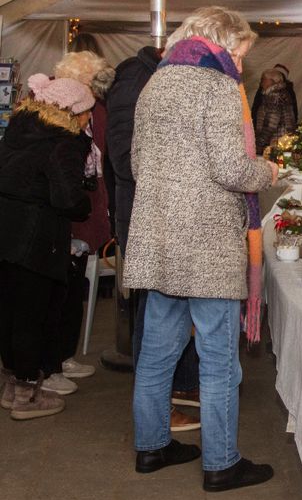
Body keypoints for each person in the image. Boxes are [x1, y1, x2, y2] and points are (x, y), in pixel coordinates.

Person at [124, 6, 279, 491]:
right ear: (220, 41)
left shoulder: (158, 81)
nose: (239, 62)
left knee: (156, 354)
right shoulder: (215, 87)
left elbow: (134, 161)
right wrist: (269, 173)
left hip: (159, 237)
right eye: (239, 52)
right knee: (217, 359)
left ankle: (151, 448)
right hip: (207, 241)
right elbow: (233, 168)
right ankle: (221, 462)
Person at [106, 44, 201, 431]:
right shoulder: (135, 79)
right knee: (154, 314)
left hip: (163, 213)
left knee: (171, 310)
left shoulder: (155, 77)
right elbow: (124, 157)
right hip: (147, 216)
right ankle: (158, 412)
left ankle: (180, 384)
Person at [0, 74, 94, 419]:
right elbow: (66, 197)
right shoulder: (63, 142)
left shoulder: (19, 129)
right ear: (73, 113)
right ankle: (26, 394)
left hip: (7, 229)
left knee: (9, 311)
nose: (88, 119)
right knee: (34, 314)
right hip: (37, 237)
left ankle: (12, 387)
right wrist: (84, 201)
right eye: (86, 112)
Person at [46, 51, 115, 392]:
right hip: (61, 215)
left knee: (74, 291)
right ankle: (48, 366)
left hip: (84, 210)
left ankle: (63, 357)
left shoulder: (95, 111)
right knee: (55, 293)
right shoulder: (52, 110)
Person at [253, 67, 297, 154]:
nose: (261, 83)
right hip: (284, 141)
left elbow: (270, 125)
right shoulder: (283, 93)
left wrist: (259, 144)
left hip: (274, 143)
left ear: (272, 81)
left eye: (263, 80)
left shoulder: (274, 96)